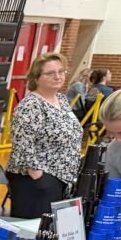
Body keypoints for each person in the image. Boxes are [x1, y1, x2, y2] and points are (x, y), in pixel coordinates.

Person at [6, 53, 83, 218]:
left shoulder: (61, 100)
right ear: (36, 78)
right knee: (34, 233)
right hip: (37, 181)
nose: (58, 76)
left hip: (61, 179)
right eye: (50, 73)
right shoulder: (31, 105)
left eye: (61, 71)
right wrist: (39, 177)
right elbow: (22, 143)